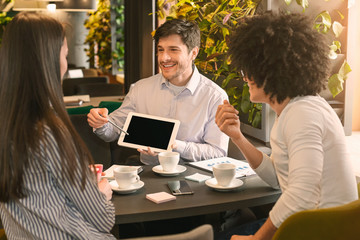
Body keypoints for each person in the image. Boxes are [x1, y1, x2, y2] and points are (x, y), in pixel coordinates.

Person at [215, 12, 358, 240]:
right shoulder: (299, 109)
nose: (245, 78)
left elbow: (302, 194)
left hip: (321, 230)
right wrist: (237, 137)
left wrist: (256, 239)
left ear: (271, 70)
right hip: (316, 225)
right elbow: (278, 180)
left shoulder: (302, 113)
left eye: (249, 70)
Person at [0, 12, 116, 239]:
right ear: (50, 61)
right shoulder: (49, 131)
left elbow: (39, 193)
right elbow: (103, 219)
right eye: (65, 54)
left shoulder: (9, 124)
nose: (65, 62)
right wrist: (100, 193)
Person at [87, 18, 229, 165]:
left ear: (193, 53)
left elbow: (217, 153)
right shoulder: (140, 89)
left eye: (173, 50)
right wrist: (100, 123)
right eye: (161, 50)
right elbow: (114, 130)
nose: (164, 58)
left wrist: (175, 145)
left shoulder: (215, 97)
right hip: (148, 176)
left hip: (194, 178)